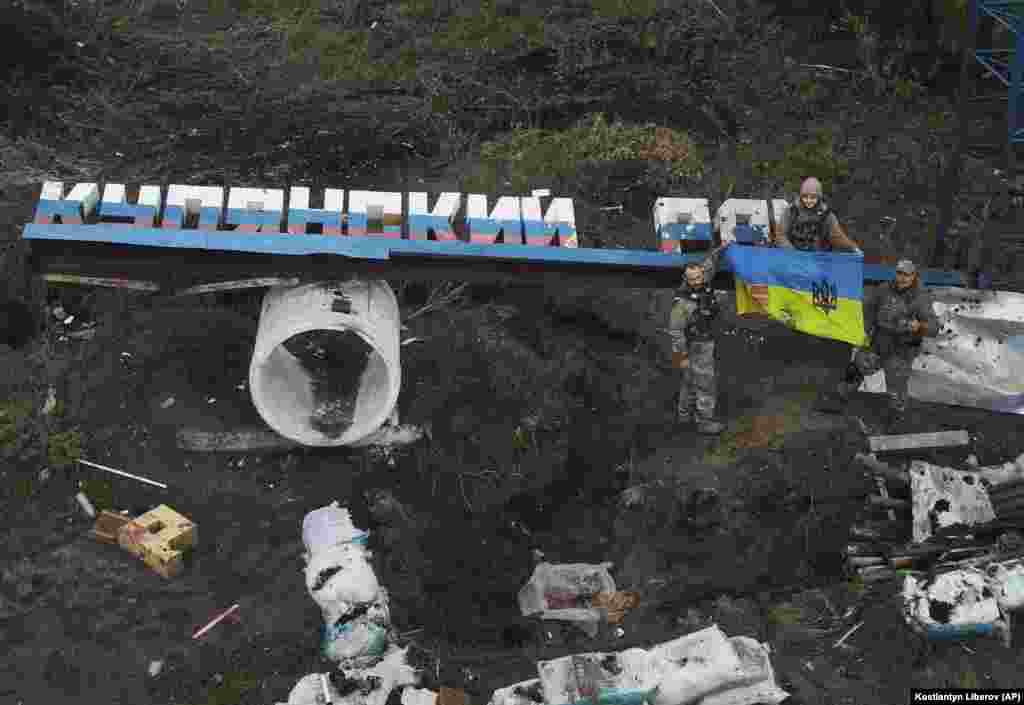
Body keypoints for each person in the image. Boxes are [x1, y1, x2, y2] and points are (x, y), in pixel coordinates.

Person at [823, 259, 939, 427]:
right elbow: (868, 311)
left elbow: (935, 328)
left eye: (907, 275)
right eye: (900, 273)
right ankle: (838, 399)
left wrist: (919, 326)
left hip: (902, 349)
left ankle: (897, 417)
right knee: (855, 368)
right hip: (878, 343)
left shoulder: (921, 298)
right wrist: (864, 332)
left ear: (913, 276)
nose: (902, 278)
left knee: (896, 388)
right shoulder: (884, 290)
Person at [668, 241, 732, 435]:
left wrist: (724, 247)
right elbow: (675, 331)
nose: (696, 281)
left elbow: (711, 260)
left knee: (689, 380)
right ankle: (704, 420)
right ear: (686, 279)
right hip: (696, 344)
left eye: (699, 277)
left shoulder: (705, 276)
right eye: (692, 279)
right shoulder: (683, 304)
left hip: (705, 338)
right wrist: (682, 357)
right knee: (705, 382)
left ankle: (684, 415)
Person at [771, 177, 862, 253]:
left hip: (817, 257)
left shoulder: (826, 214)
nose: (808, 200)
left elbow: (836, 236)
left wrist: (853, 248)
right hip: (793, 256)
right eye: (805, 197)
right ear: (800, 196)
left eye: (813, 197)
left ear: (819, 197)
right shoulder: (791, 211)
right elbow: (780, 235)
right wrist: (793, 254)